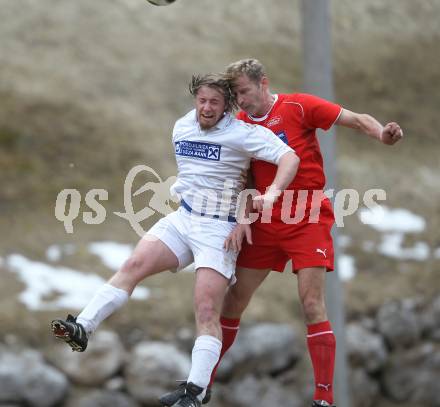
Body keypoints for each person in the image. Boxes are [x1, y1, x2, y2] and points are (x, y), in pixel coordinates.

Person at [161, 59, 403, 407]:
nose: (240, 101)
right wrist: (242, 219)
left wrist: (381, 134)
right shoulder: (239, 124)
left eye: (243, 92)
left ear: (263, 84)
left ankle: (324, 397)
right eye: (236, 95)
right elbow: (241, 179)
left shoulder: (299, 106)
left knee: (310, 302)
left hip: (306, 217)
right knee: (232, 302)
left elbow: (354, 119)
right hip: (264, 219)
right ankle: (199, 389)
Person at [51, 73, 300, 407]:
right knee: (133, 265)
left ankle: (195, 391)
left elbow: (289, 157)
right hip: (184, 218)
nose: (206, 108)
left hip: (218, 229)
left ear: (227, 104)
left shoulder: (243, 133)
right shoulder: (182, 125)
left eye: (214, 101)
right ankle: (82, 327)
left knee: (206, 308)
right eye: (201, 100)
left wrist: (270, 195)